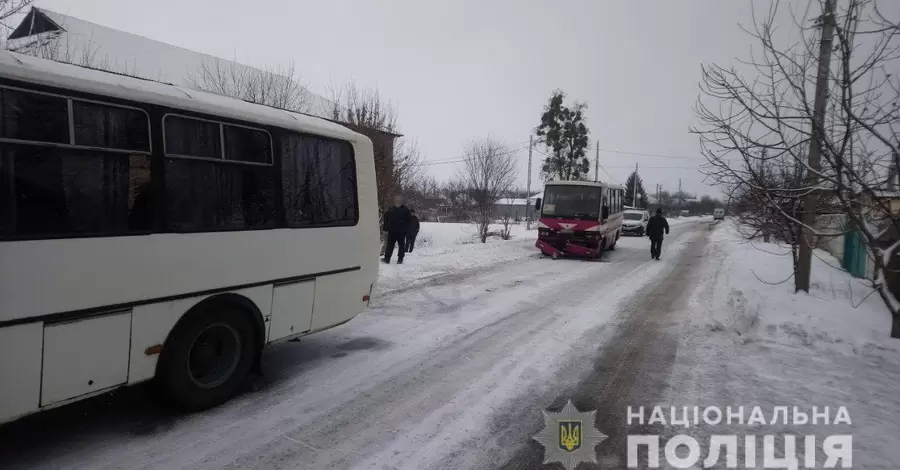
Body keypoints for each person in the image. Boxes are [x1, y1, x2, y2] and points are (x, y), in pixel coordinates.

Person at [382, 195, 412, 264]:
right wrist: (387, 228)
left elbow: (409, 221)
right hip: (394, 232)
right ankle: (389, 258)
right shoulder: (393, 209)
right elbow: (387, 219)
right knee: (392, 245)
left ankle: (397, 259)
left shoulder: (404, 210)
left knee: (398, 246)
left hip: (400, 232)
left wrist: (406, 231)